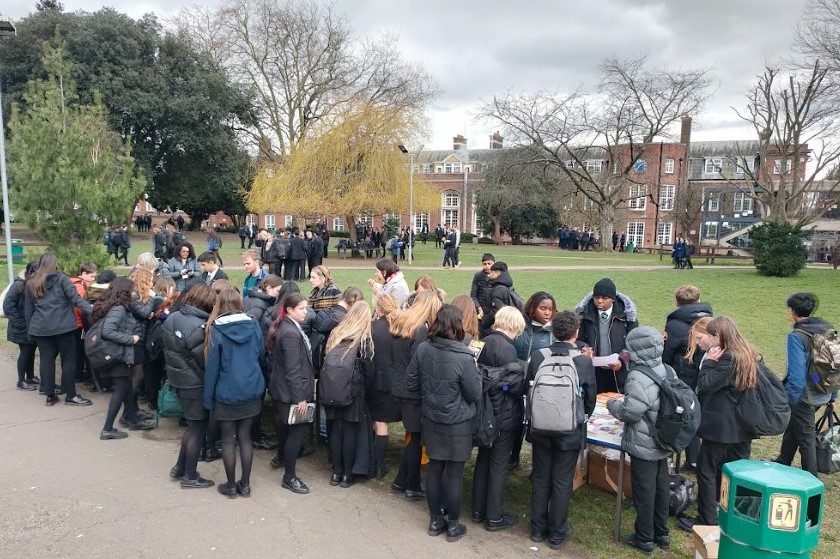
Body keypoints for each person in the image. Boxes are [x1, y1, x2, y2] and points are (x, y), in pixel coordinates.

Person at [406, 304, 481, 542]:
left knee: (435, 468)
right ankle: (452, 524)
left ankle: (435, 520)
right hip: (456, 422)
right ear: (458, 326)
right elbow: (474, 393)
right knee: (454, 473)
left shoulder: (424, 349)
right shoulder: (464, 357)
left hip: (433, 418)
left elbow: (411, 382)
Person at [527, 311, 596, 549]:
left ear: (553, 331)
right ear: (576, 333)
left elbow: (529, 391)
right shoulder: (583, 361)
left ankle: (537, 529)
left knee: (540, 477)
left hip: (540, 428)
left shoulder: (538, 356)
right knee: (562, 481)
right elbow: (591, 400)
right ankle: (556, 534)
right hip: (569, 431)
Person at [607, 327, 672, 554]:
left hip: (645, 442)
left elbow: (631, 412)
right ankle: (661, 533)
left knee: (645, 491)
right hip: (664, 438)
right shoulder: (666, 368)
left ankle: (644, 537)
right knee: (661, 486)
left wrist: (612, 405)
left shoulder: (638, 375)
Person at [695, 316, 758, 526]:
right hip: (743, 424)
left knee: (706, 469)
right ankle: (733, 514)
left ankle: (707, 519)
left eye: (711, 337)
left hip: (722, 426)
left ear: (717, 336)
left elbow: (705, 385)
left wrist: (710, 363)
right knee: (734, 472)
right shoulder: (749, 353)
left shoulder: (728, 358)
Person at [204, 287, 266, 498]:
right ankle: (245, 485)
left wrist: (208, 397)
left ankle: (231, 486)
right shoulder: (254, 324)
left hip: (226, 389)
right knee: (245, 437)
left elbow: (212, 366)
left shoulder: (216, 328)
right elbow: (260, 353)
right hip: (250, 387)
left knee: (228, 439)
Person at [472, 307, 526, 532]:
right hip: (503, 415)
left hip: (483, 412)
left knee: (483, 460)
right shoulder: (508, 350)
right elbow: (512, 387)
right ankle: (494, 516)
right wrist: (506, 385)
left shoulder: (482, 342)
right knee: (498, 465)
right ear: (515, 325)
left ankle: (477, 510)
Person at [774, 293, 836, 476]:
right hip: (822, 389)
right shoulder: (826, 329)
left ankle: (811, 477)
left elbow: (797, 374)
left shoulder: (797, 336)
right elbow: (834, 366)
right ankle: (783, 460)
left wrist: (791, 400)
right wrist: (832, 396)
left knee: (806, 438)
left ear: (792, 311)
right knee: (795, 426)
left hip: (804, 396)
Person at [390, 290, 442, 500]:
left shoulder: (403, 324)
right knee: (416, 439)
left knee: (414, 436)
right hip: (413, 391)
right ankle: (412, 484)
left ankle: (401, 480)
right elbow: (419, 363)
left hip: (401, 386)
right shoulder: (420, 330)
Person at [163, 284, 216, 487]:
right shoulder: (197, 326)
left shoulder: (174, 317)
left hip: (179, 379)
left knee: (193, 426)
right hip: (194, 383)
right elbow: (204, 359)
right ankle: (190, 476)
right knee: (198, 427)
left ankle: (180, 466)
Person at [24, 253, 93, 406]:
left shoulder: (31, 282)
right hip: (64, 327)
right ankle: (71, 396)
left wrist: (30, 331)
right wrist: (94, 311)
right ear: (55, 264)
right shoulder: (62, 279)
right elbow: (76, 300)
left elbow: (28, 311)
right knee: (69, 361)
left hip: (41, 328)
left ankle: (49, 395)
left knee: (46, 361)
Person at [322, 301, 375, 488]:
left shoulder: (336, 333)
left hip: (331, 388)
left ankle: (336, 472)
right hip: (353, 392)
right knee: (350, 433)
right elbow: (369, 370)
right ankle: (346, 475)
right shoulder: (364, 338)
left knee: (335, 431)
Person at [267, 293, 316, 495]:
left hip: (283, 390)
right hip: (291, 393)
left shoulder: (287, 327)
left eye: (306, 308)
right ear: (289, 310)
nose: (306, 312)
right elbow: (292, 369)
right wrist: (300, 399)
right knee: (295, 433)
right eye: (302, 309)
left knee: (286, 432)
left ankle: (283, 461)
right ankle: (290, 476)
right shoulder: (290, 333)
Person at [94, 277, 154, 439]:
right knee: (120, 391)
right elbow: (108, 330)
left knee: (123, 388)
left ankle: (126, 417)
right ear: (124, 291)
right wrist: (131, 339)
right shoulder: (119, 309)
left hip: (118, 353)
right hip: (118, 354)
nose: (134, 293)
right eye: (132, 290)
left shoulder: (115, 306)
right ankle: (109, 428)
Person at [662, 285, 713, 469]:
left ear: (676, 302)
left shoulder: (674, 324)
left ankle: (672, 451)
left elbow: (667, 351)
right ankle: (694, 458)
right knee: (696, 412)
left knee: (681, 413)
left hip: (683, 374)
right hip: (705, 372)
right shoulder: (711, 320)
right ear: (698, 300)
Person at [510, 291, 557, 469]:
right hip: (518, 381)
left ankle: (538, 467)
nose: (547, 313)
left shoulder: (554, 331)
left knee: (538, 426)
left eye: (550, 309)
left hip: (542, 385)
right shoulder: (521, 326)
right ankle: (513, 457)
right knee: (516, 422)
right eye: (543, 308)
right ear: (532, 309)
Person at [575, 278, 638, 393]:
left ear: (613, 299)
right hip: (594, 370)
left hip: (619, 371)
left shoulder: (626, 315)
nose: (599, 301)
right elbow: (578, 339)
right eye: (596, 297)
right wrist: (585, 348)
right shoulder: (584, 315)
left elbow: (634, 342)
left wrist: (622, 360)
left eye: (604, 298)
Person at [368, 294, 401, 479]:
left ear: (379, 308)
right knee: (382, 422)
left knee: (379, 422)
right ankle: (378, 461)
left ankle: (378, 463)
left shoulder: (374, 328)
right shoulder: (401, 327)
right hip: (396, 380)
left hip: (377, 381)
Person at [4, 262, 40, 390]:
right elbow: (8, 306)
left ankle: (30, 377)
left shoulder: (32, 285)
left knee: (31, 351)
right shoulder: (19, 285)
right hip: (21, 327)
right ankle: (21, 380)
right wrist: (21, 323)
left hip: (31, 326)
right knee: (25, 352)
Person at [479, 261, 518, 337]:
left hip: (493, 328)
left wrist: (484, 322)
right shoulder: (508, 286)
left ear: (497, 273)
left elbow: (496, 310)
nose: (490, 275)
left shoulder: (498, 289)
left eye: (491, 272)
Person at [470, 253, 495, 320]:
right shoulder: (478, 276)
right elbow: (473, 295)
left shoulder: (499, 276)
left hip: (494, 311)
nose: (487, 266)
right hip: (480, 310)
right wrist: (479, 308)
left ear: (494, 263)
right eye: (484, 264)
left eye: (489, 264)